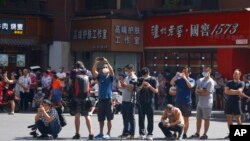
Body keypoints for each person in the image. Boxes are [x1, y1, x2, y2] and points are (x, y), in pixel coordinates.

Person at [189, 66, 215, 139]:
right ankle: (197, 133)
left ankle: (205, 134)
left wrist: (201, 91)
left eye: (206, 71)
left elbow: (207, 93)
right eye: (203, 71)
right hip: (200, 103)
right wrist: (202, 91)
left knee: (206, 119)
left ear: (209, 72)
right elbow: (196, 90)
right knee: (198, 119)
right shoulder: (200, 80)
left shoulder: (211, 81)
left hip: (207, 103)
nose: (204, 72)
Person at [223, 69, 250, 139]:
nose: (234, 75)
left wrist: (231, 91)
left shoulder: (242, 83)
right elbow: (226, 91)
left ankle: (240, 134)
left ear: (239, 75)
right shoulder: (229, 82)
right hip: (229, 102)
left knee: (238, 119)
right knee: (229, 118)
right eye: (234, 73)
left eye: (236, 73)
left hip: (237, 102)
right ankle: (230, 133)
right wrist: (235, 91)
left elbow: (240, 91)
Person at [92, 57, 114, 139]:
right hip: (101, 99)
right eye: (103, 67)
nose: (104, 68)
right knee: (100, 118)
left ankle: (108, 133)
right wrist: (96, 62)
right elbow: (93, 71)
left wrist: (107, 62)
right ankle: (101, 133)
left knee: (109, 118)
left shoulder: (110, 77)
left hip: (108, 99)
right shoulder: (100, 76)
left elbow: (112, 71)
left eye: (106, 67)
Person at [170, 66, 195, 139]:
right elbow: (171, 82)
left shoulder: (191, 79)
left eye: (186, 71)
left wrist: (185, 78)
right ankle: (175, 132)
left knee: (186, 119)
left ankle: (184, 133)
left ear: (189, 73)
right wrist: (176, 75)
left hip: (187, 102)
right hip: (178, 101)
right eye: (183, 71)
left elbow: (190, 86)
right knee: (176, 117)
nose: (184, 73)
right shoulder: (179, 79)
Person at [136, 67, 159, 140]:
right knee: (141, 118)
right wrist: (142, 85)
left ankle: (150, 134)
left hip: (150, 101)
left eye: (145, 75)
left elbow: (156, 91)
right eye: (144, 75)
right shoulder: (139, 79)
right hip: (141, 101)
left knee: (150, 118)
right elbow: (137, 90)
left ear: (148, 73)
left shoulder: (153, 79)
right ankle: (142, 133)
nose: (145, 77)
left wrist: (149, 86)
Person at [72, 68, 93, 140]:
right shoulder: (87, 78)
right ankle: (90, 134)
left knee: (77, 115)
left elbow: (74, 87)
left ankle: (77, 134)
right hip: (86, 98)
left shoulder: (77, 77)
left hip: (77, 98)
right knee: (87, 115)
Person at [117, 64, 137, 139]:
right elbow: (122, 87)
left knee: (131, 117)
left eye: (127, 70)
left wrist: (124, 85)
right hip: (124, 99)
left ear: (131, 69)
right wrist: (120, 82)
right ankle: (125, 132)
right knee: (125, 117)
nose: (125, 71)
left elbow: (132, 88)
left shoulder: (133, 77)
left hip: (130, 100)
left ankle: (132, 133)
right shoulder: (127, 77)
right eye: (125, 70)